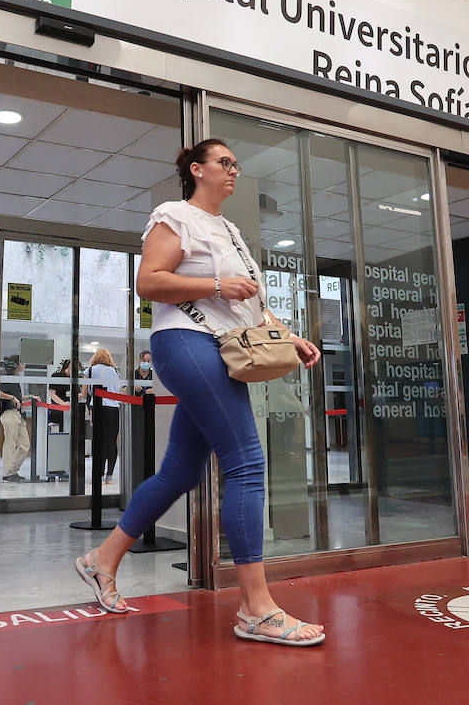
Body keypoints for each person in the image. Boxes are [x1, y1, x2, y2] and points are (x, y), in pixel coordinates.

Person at [73, 138, 327, 647]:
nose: (233, 170)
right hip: (186, 343)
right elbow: (149, 282)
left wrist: (288, 334)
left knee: (181, 471)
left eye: (236, 164)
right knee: (247, 460)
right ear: (197, 170)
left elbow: (247, 304)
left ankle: (102, 559)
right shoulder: (175, 214)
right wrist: (216, 284)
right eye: (223, 163)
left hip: (222, 345)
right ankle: (256, 608)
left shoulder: (230, 230)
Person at [86, 348, 123, 484]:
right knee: (111, 442)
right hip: (114, 409)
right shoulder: (115, 372)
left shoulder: (90, 370)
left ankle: (99, 475)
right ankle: (110, 476)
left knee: (99, 442)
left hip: (98, 407)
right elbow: (117, 390)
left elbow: (86, 392)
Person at [0, 356, 35, 482]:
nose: (25, 365)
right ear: (17, 366)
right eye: (23, 363)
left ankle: (13, 470)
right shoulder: (6, 378)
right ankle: (8, 473)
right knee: (10, 444)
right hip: (9, 413)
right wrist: (12, 398)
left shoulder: (14, 379)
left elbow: (17, 396)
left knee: (25, 446)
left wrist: (29, 396)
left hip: (19, 415)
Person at [47, 358, 72, 431]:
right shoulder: (56, 376)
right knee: (57, 433)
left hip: (69, 411)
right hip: (57, 411)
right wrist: (63, 403)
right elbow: (52, 394)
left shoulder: (72, 379)